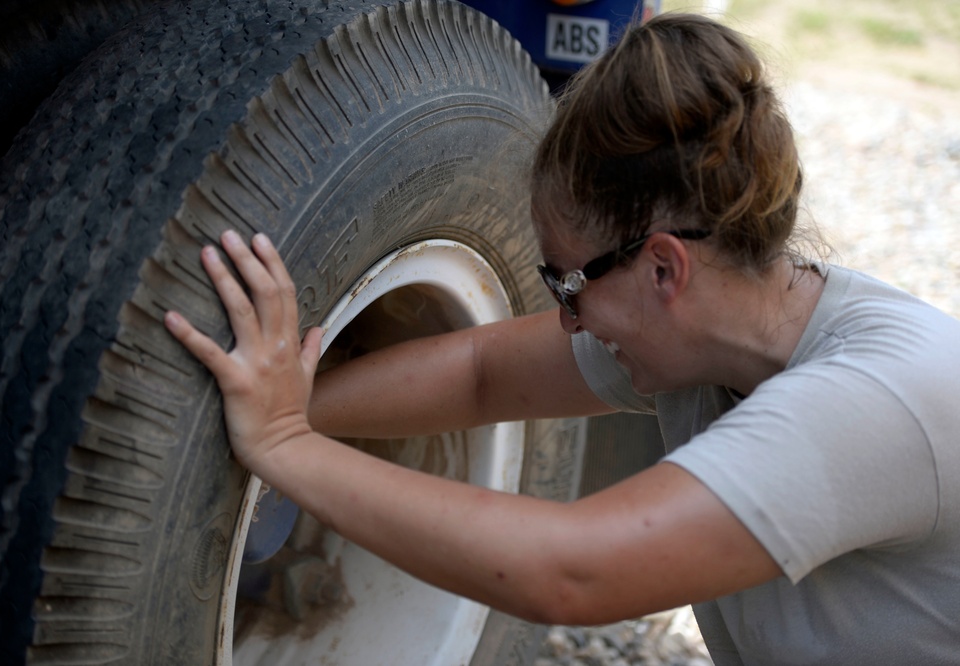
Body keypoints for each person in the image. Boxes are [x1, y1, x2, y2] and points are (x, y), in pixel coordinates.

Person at [163, 12, 960, 664]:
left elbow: (569, 574)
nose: (566, 317)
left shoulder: (879, 402)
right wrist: (279, 402)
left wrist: (286, 445)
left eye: (566, 283)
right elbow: (481, 373)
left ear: (663, 269)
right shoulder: (721, 335)